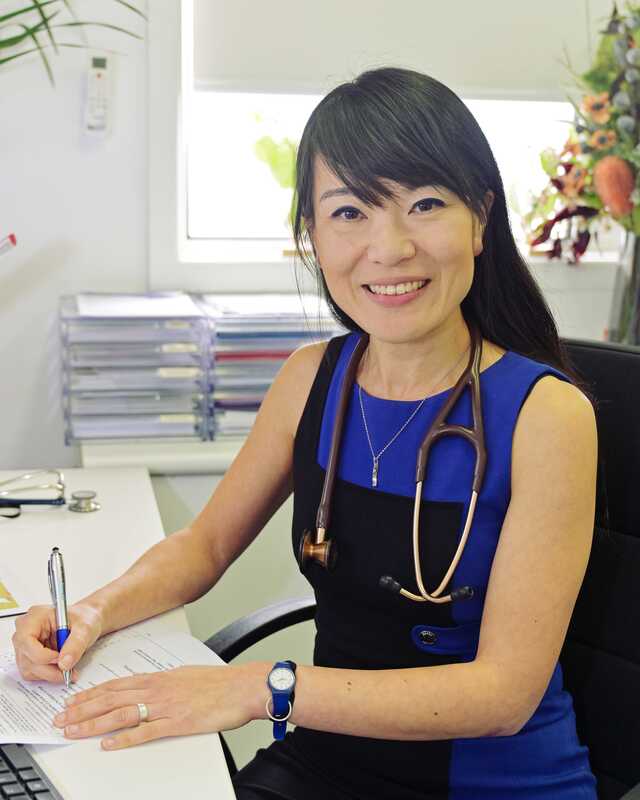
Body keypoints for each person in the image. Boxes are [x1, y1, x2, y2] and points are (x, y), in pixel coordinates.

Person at [12, 67, 599, 799]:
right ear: (312, 236)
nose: (389, 248)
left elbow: (503, 695)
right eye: (350, 212)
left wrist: (259, 687)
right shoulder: (311, 379)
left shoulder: (546, 415)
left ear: (480, 219)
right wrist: (90, 613)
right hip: (328, 761)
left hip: (493, 784)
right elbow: (204, 546)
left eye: (424, 204)